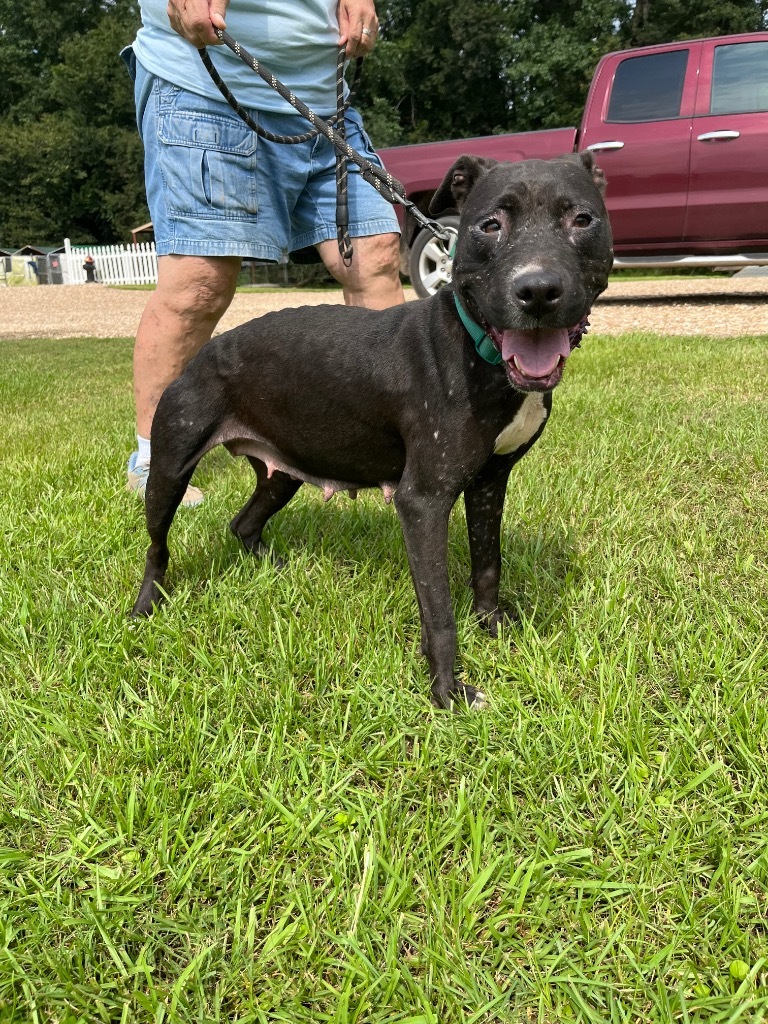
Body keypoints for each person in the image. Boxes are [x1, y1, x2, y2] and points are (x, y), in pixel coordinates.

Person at [123, 0, 405, 507]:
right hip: (206, 85)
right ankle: (152, 458)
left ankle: (400, 443)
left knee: (376, 253)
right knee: (200, 281)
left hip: (325, 100)